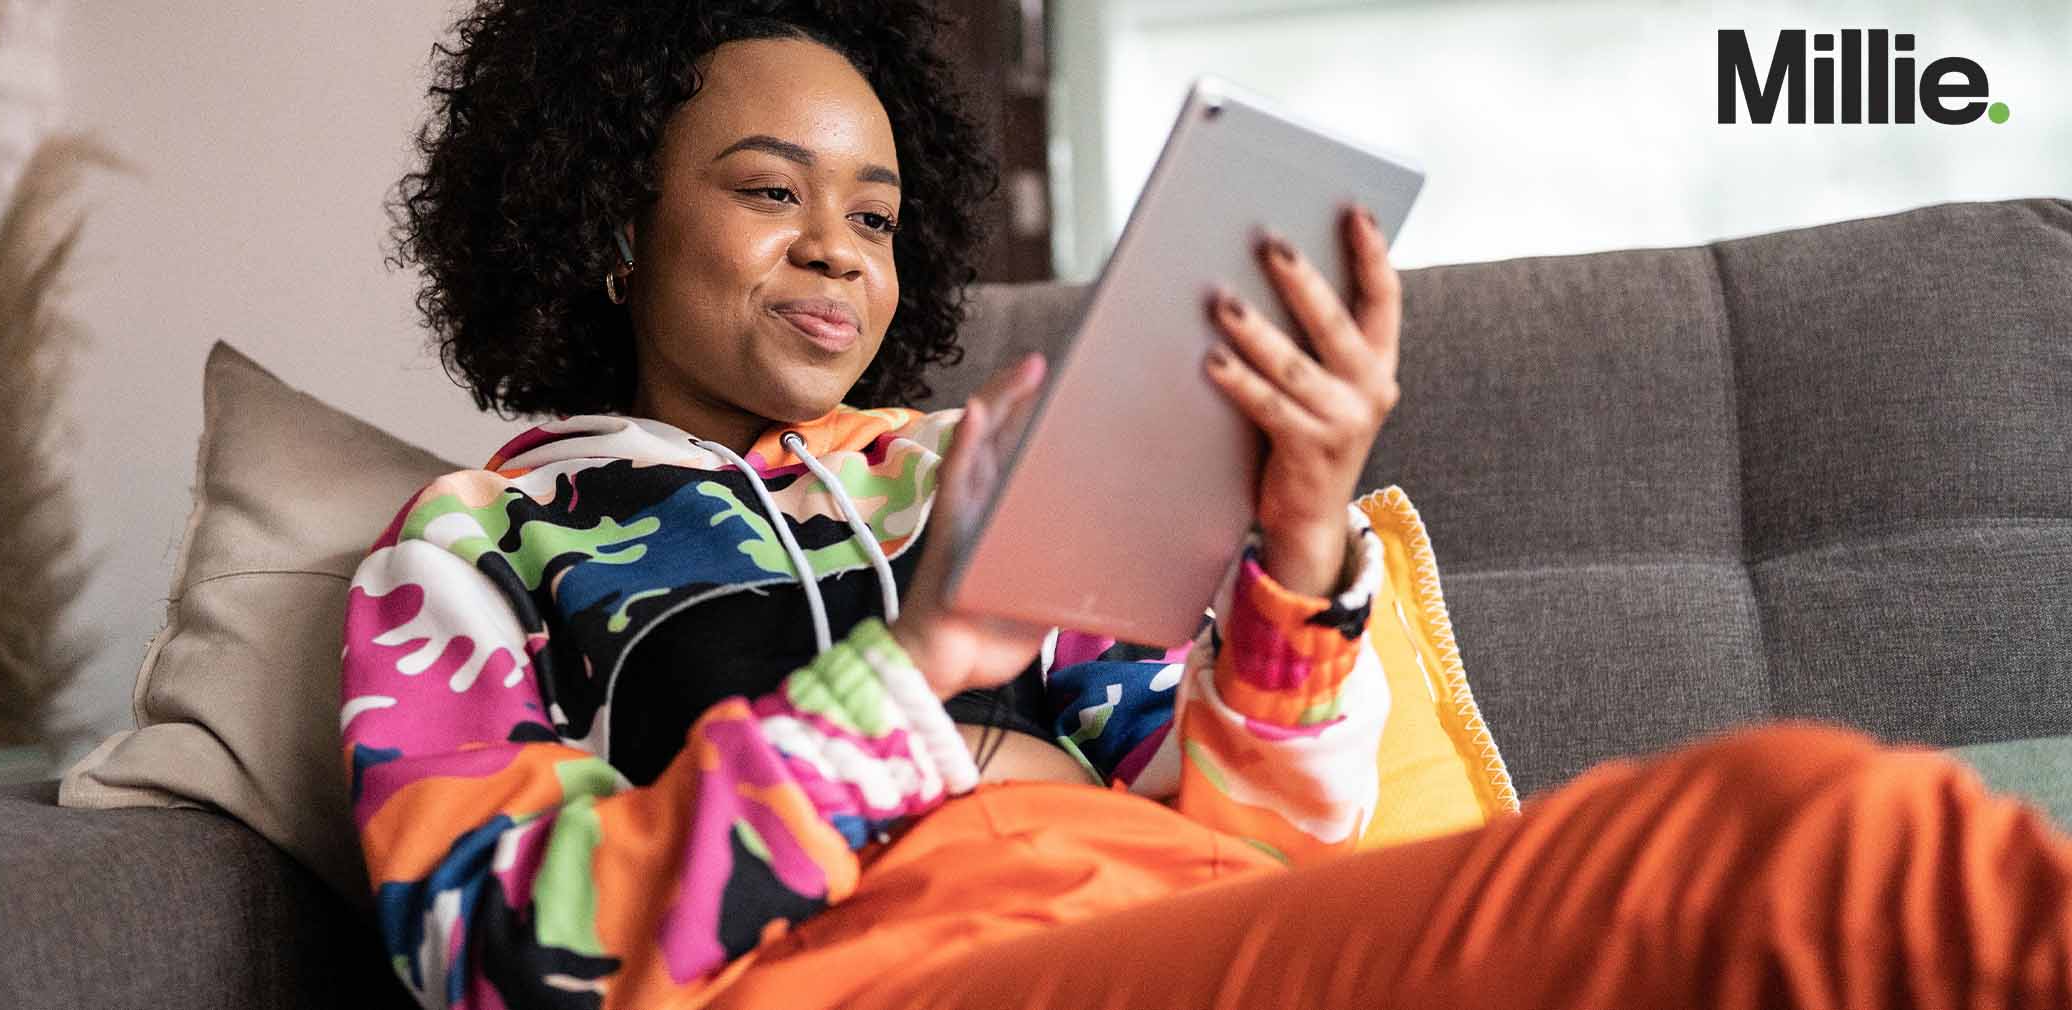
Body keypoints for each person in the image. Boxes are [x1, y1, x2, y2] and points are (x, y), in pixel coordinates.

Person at [342, 4, 2072, 1009]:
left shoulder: (968, 456)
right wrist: (919, 678)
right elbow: (497, 945)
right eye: (768, 190)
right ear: (599, 220)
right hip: (887, 978)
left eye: (874, 215)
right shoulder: (479, 544)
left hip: (1191, 927)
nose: (834, 251)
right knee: (1807, 837)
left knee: (1838, 863)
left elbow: (1264, 829)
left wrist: (1303, 538)